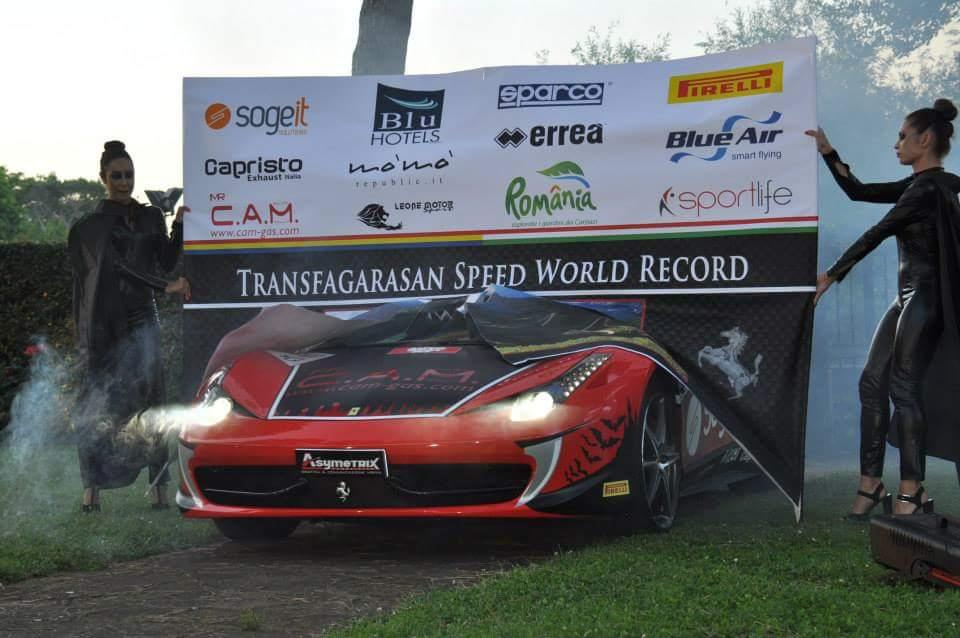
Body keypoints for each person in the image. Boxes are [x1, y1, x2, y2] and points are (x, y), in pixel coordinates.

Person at [806, 98, 960, 517]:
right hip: (905, 298)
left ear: (925, 139)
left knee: (904, 388)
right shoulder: (920, 185)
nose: (896, 144)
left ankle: (911, 493)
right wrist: (828, 151)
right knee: (871, 383)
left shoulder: (930, 190)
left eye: (902, 136)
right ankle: (870, 485)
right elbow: (858, 192)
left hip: (927, 299)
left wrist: (832, 273)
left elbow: (880, 229)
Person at [68, 140, 191, 512]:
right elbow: (116, 267)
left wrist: (179, 229)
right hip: (104, 324)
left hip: (143, 319)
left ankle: (158, 487)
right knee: (100, 402)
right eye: (116, 176)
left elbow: (165, 263)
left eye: (129, 175)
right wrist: (165, 287)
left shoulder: (151, 215)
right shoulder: (89, 227)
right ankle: (91, 490)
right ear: (103, 178)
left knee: (153, 399)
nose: (124, 182)